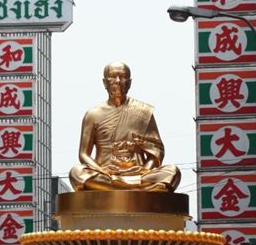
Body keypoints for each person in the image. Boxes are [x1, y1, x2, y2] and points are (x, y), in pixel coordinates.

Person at [70, 62, 181, 192]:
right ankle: (136, 188)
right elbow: (83, 154)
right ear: (105, 82)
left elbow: (156, 151)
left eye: (122, 77)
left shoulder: (143, 112)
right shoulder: (93, 115)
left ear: (129, 82)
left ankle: (121, 186)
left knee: (173, 171)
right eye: (112, 76)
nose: (117, 81)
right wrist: (102, 171)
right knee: (77, 172)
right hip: (105, 173)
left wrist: (146, 169)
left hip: (138, 173)